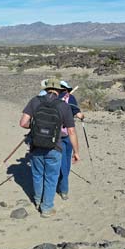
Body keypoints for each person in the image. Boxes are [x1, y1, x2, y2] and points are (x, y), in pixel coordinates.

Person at [19, 78, 80, 218]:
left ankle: (37, 201)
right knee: (51, 178)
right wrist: (76, 152)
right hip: (55, 147)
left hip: (36, 146)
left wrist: (35, 127)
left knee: (37, 175)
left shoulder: (34, 101)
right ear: (58, 91)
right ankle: (46, 208)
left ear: (46, 89)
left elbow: (23, 123)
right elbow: (71, 132)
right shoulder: (64, 106)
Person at [57, 80, 85, 201]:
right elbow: (78, 114)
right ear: (67, 89)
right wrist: (82, 115)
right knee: (65, 163)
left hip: (51, 135)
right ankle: (63, 190)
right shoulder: (71, 98)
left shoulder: (50, 97)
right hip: (66, 134)